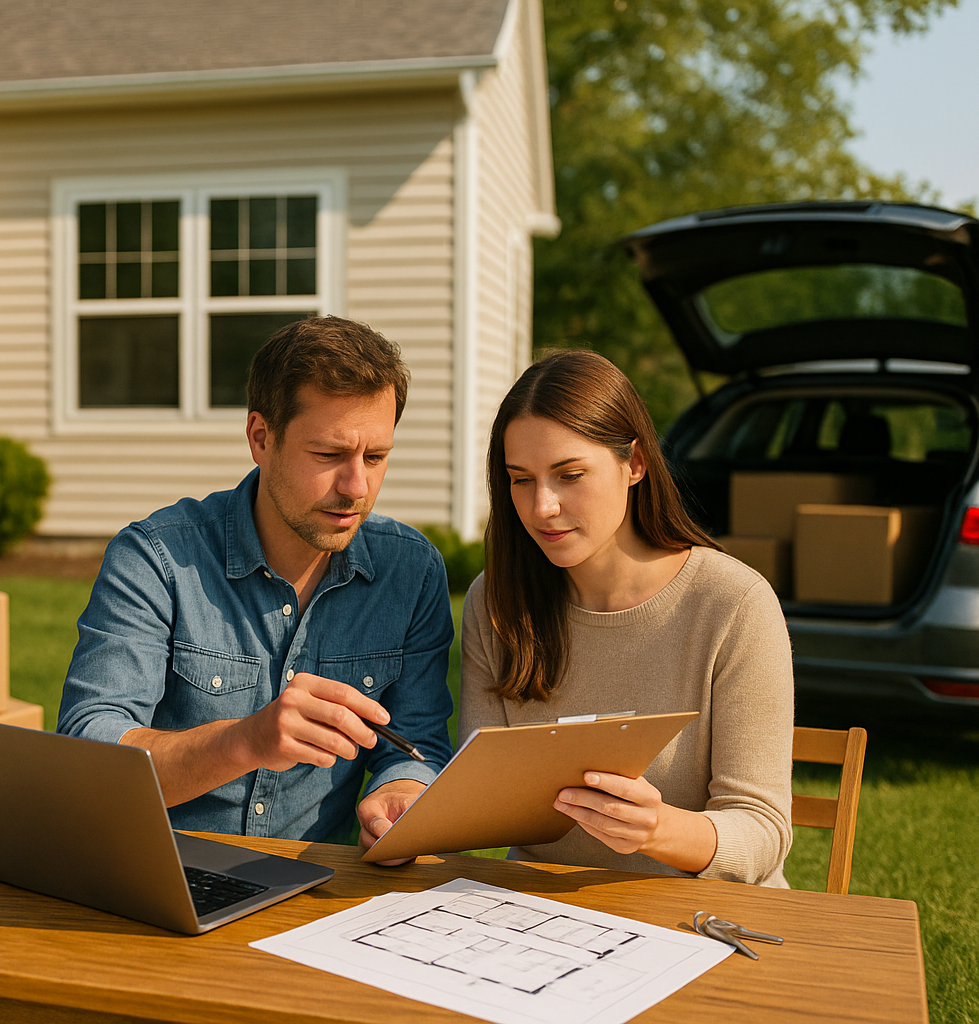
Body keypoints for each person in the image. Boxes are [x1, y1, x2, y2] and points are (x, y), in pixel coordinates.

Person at [57, 316, 455, 852]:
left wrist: (400, 792)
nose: (356, 486)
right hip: (159, 874)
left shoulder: (411, 571)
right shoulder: (157, 558)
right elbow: (89, 749)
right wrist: (245, 741)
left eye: (376, 457)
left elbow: (416, 744)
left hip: (314, 890)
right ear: (260, 438)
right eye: (329, 455)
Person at [460, 349, 794, 886]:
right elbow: (481, 802)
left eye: (569, 475)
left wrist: (657, 830)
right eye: (521, 479)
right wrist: (408, 806)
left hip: (700, 919)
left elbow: (761, 831)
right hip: (538, 914)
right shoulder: (496, 602)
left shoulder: (734, 603)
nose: (542, 506)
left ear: (635, 463)